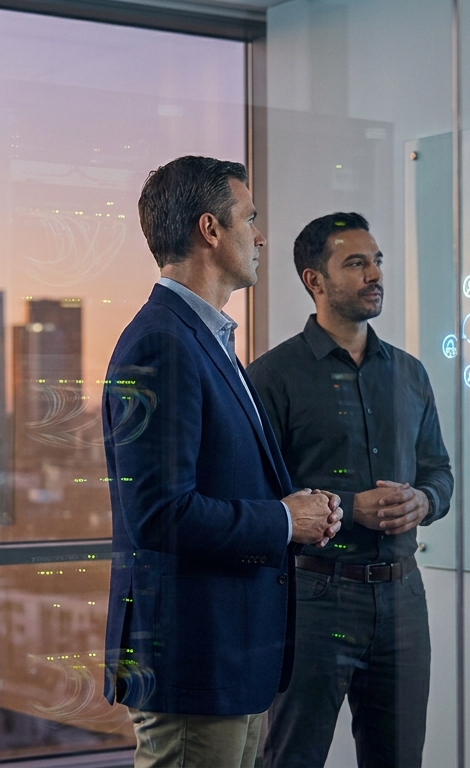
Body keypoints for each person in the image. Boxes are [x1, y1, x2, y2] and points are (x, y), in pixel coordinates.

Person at [102, 156, 344, 768]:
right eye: (250, 218)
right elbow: (160, 514)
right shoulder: (161, 343)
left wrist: (299, 511)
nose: (261, 236)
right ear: (211, 230)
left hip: (226, 658)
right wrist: (285, 521)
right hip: (193, 660)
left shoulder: (202, 339)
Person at [251, 213, 454, 768]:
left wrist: (425, 500)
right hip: (313, 599)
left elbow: (440, 471)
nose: (374, 274)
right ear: (314, 280)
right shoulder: (272, 377)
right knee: (292, 758)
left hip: (402, 599)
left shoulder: (410, 374)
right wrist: (347, 506)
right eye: (356, 263)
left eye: (377, 260)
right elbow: (253, 493)